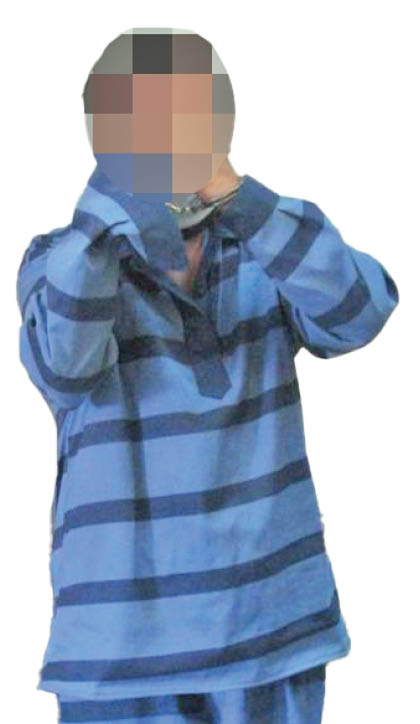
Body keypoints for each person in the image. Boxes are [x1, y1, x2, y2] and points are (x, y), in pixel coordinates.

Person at [16, 27, 399, 724]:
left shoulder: (269, 244)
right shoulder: (61, 260)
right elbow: (65, 368)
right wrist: (107, 217)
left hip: (273, 637)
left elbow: (359, 313)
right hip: (121, 656)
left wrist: (238, 196)